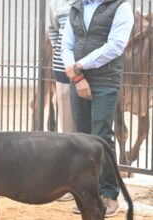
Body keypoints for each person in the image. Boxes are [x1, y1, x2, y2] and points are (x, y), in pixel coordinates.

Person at [61, 0, 133, 217]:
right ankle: (88, 195)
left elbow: (116, 45)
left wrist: (80, 66)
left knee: (101, 137)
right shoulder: (77, 7)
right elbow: (66, 45)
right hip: (78, 79)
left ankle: (109, 194)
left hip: (105, 80)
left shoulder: (121, 6)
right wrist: (77, 74)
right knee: (82, 139)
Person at [48, 0, 77, 202]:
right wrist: (63, 56)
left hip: (90, 69)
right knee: (67, 128)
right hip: (62, 69)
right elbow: (53, 32)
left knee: (90, 127)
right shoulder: (55, 3)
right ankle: (70, 183)